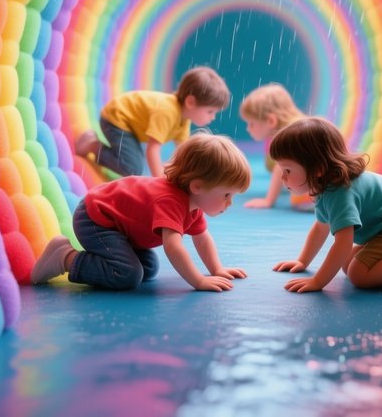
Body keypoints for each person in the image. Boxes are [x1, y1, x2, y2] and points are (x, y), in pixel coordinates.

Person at [31, 132, 251, 291]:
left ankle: (89, 260)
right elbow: (173, 247)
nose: (229, 203)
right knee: (127, 274)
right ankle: (65, 257)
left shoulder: (193, 205)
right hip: (95, 219)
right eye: (226, 195)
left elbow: (202, 238)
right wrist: (198, 281)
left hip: (117, 226)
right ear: (197, 186)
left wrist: (217, 268)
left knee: (148, 267)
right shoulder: (171, 201)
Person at [268, 116, 382, 294]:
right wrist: (303, 261)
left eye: (287, 170)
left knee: (358, 274)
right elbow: (321, 227)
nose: (282, 177)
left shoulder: (340, 193)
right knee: (348, 263)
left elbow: (343, 243)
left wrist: (318, 281)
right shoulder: (326, 186)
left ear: (318, 169)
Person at [75, 66, 230, 177]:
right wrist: (160, 181)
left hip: (130, 126)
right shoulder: (168, 112)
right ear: (190, 102)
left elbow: (182, 152)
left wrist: (189, 172)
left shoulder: (184, 119)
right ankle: (93, 145)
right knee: (132, 168)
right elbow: (153, 149)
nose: (213, 117)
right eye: (210, 111)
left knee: (135, 161)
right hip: (117, 119)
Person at [239, 84, 312, 210]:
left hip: (318, 192)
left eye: (251, 123)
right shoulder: (284, 130)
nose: (248, 129)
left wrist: (268, 200)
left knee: (300, 201)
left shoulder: (290, 133)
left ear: (271, 121)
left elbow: (281, 166)